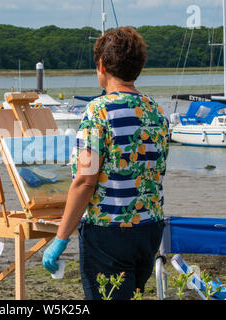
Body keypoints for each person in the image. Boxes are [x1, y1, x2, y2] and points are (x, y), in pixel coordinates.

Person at [42, 27, 170, 300]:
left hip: (109, 232)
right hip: (149, 228)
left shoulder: (99, 111)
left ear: (101, 66)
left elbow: (85, 180)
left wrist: (61, 238)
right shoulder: (157, 110)